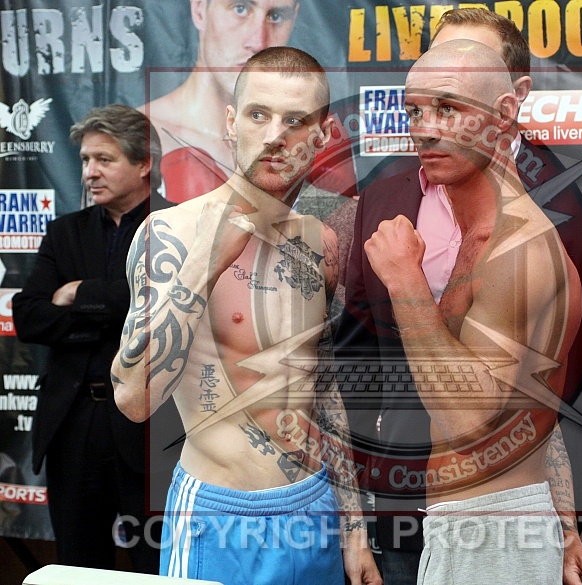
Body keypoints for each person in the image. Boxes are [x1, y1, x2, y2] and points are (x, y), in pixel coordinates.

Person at [337, 8, 582, 582]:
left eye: (452, 101)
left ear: (509, 100)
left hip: (505, 511)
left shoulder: (574, 202)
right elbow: (356, 357)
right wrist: (353, 518)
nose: (428, 126)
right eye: (418, 106)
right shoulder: (383, 197)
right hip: (405, 503)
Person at [112, 47, 381, 585]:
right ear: (232, 122)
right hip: (219, 516)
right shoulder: (170, 234)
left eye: (295, 120)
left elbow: (322, 387)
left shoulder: (320, 244)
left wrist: (353, 528)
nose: (275, 136)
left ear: (323, 135)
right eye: (259, 114)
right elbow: (134, 400)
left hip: (314, 507)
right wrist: (204, 266)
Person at [12, 104, 171, 572]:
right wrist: (116, 309)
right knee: (77, 567)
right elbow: (30, 318)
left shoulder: (179, 225)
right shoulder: (65, 232)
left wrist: (79, 294)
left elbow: (164, 307)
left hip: (151, 428)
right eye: (84, 160)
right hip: (73, 423)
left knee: (156, 566)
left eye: (104, 159)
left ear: (143, 164)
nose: (89, 172)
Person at [142, 0, 354, 203]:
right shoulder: (142, 135)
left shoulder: (318, 145)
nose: (259, 42)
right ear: (199, 9)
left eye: (276, 16)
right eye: (240, 8)